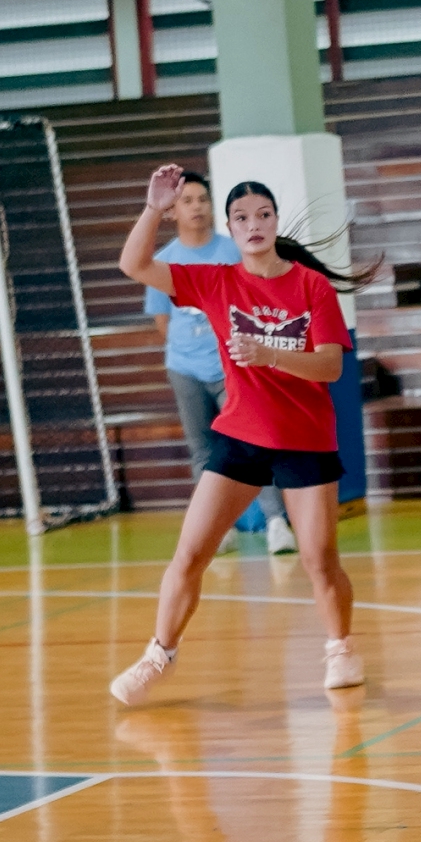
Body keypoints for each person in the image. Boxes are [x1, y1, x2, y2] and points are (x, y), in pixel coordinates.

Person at [110, 166, 377, 705]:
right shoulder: (217, 282)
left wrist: (268, 353)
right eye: (241, 218)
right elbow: (133, 265)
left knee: (319, 559)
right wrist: (154, 209)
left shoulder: (311, 286)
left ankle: (341, 648)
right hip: (242, 435)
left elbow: (329, 366)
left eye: (263, 214)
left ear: (274, 221)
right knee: (190, 554)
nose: (253, 224)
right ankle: (159, 655)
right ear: (229, 230)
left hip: (305, 438)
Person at [144, 169, 293, 556]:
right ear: (173, 210)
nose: (196, 207)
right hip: (185, 370)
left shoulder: (231, 251)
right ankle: (217, 529)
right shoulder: (164, 261)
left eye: (203, 199)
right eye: (187, 201)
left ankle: (276, 522)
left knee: (253, 443)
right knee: (203, 449)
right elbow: (163, 321)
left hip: (235, 370)